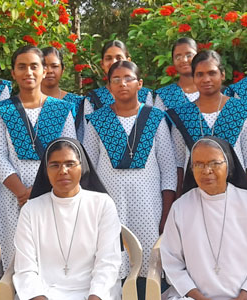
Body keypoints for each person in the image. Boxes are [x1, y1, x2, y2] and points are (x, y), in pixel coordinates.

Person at [82, 60, 177, 291]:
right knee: (111, 266)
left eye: (128, 79)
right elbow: (87, 169)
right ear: (109, 87)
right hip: (108, 207)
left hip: (149, 209)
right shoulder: (98, 120)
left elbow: (168, 169)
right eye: (116, 80)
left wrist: (165, 214)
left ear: (140, 85)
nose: (122, 84)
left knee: (147, 268)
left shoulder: (155, 118)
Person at [0, 45, 77, 273]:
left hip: (53, 194)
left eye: (34, 66)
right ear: (13, 73)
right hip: (13, 197)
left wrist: (40, 190)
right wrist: (21, 192)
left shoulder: (62, 109)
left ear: (44, 71)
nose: (28, 72)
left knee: (53, 256)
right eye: (22, 67)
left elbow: (69, 153)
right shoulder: (3, 110)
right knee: (16, 259)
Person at [161, 137, 247, 300]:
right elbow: (172, 262)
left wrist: (242, 297)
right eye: (198, 164)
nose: (206, 170)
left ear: (228, 165)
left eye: (214, 163)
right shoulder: (180, 207)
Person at [13, 138, 123, 300]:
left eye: (70, 164)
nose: (63, 170)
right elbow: (25, 268)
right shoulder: (31, 210)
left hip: (93, 292)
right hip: (44, 292)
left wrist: (95, 296)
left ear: (82, 167)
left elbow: (108, 262)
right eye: (55, 165)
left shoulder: (102, 204)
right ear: (46, 170)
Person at [166, 50, 247, 198]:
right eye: (200, 74)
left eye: (212, 73)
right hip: (195, 194)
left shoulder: (239, 109)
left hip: (237, 193)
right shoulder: (182, 115)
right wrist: (179, 199)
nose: (206, 79)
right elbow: (179, 164)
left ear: (222, 74)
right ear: (193, 77)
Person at [76, 40, 155, 136]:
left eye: (119, 57)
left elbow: (152, 129)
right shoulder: (93, 99)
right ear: (102, 64)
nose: (114, 62)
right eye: (108, 58)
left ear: (128, 61)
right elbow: (88, 136)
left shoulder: (144, 94)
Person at [153, 37, 202, 112]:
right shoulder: (164, 95)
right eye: (178, 57)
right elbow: (158, 122)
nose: (184, 60)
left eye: (189, 55)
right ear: (173, 61)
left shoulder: (212, 89)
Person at [41, 47, 87, 120]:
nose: (49, 71)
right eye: (44, 66)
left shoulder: (78, 102)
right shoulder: (26, 103)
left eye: (54, 66)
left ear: (62, 70)